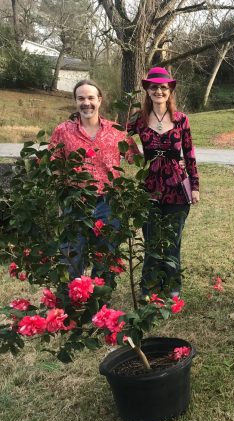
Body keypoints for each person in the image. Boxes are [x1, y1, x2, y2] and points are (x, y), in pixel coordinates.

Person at [49, 79, 136, 281]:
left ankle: (102, 304)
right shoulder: (63, 131)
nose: (86, 103)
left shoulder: (116, 132)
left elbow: (137, 158)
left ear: (100, 100)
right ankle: (71, 303)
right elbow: (53, 165)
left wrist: (171, 157)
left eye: (90, 98)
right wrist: (63, 197)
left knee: (106, 256)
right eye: (81, 98)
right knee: (71, 254)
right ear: (75, 101)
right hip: (75, 201)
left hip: (108, 202)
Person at [128, 67, 200, 298]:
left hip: (177, 188)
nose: (158, 91)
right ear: (147, 91)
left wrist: (195, 186)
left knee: (172, 240)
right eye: (154, 87)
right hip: (148, 187)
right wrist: (134, 155)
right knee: (150, 238)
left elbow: (189, 154)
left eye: (163, 87)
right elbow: (117, 135)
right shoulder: (139, 119)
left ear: (169, 91)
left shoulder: (181, 120)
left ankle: (171, 286)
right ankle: (148, 285)